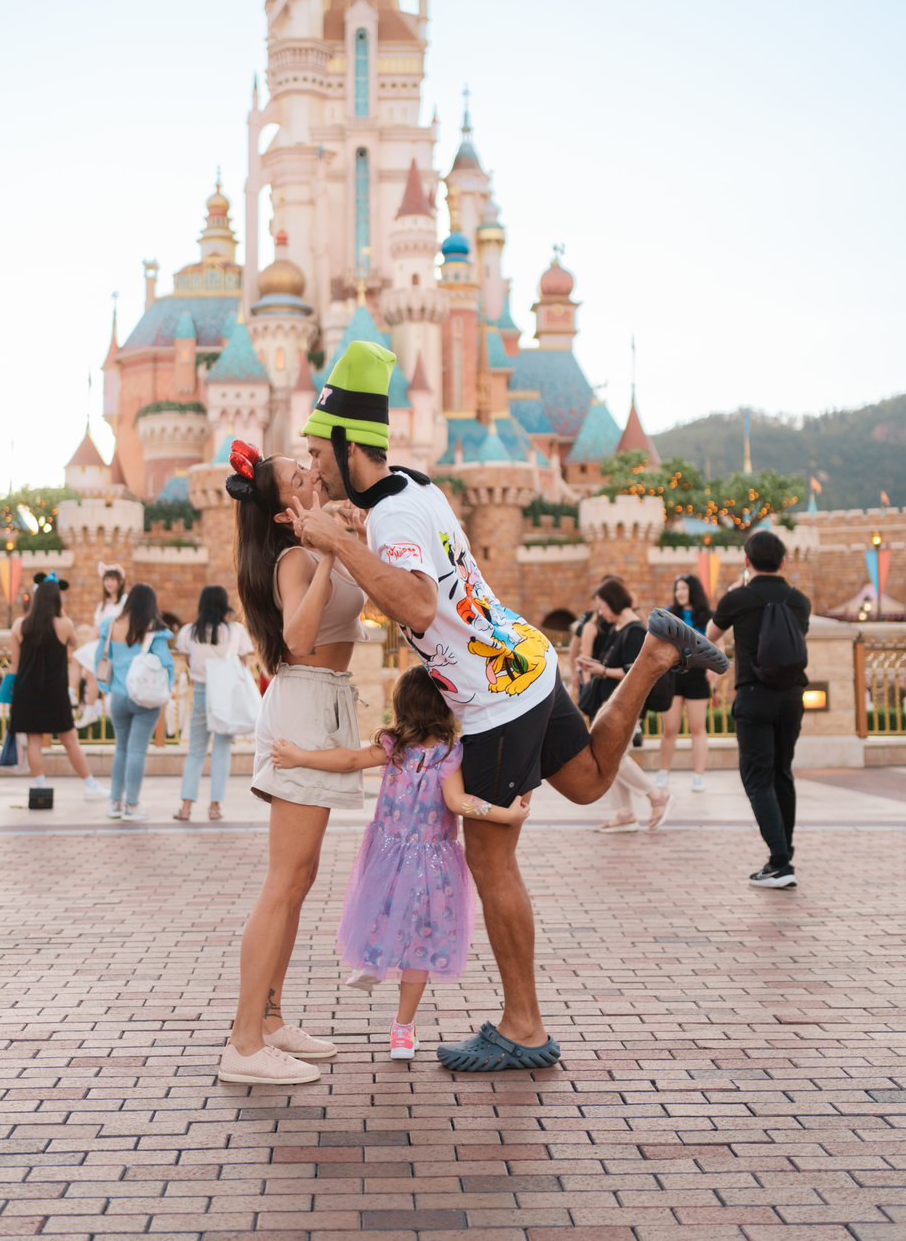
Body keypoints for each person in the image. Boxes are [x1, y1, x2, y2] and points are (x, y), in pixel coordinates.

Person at [294, 340, 729, 1073]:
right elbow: (413, 561)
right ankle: (653, 655)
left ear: (347, 444)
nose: (311, 468)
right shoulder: (414, 489)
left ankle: (523, 1026)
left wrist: (339, 539)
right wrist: (353, 527)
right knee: (588, 781)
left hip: (492, 700)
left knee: (491, 863)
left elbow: (417, 603)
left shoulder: (391, 519)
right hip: (523, 661)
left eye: (316, 453)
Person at [270, 665, 529, 1060]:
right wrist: (506, 814)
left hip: (400, 856)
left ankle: (377, 970)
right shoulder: (433, 752)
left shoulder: (412, 749)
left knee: (387, 914)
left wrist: (299, 756)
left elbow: (349, 760)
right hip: (423, 859)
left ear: (403, 706)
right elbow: (458, 802)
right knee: (417, 941)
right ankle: (399, 1021)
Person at [217, 439, 369, 1088]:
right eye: (300, 476)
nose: (314, 474)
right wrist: (330, 551)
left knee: (300, 877)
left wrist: (348, 539)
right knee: (284, 881)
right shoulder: (293, 559)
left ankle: (272, 1020)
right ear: (285, 513)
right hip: (304, 703)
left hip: (323, 701)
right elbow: (299, 638)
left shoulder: (315, 547)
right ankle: (244, 1042)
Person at [707, 530, 810, 888]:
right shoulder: (800, 601)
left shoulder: (737, 598)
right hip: (792, 697)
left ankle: (780, 863)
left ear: (747, 561)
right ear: (783, 561)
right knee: (782, 773)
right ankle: (783, 855)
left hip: (754, 696)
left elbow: (709, 638)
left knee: (757, 778)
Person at [576, 578, 673, 832]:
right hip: (617, 705)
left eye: (602, 606)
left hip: (628, 705)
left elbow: (634, 671)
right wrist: (596, 667)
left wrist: (602, 671)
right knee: (612, 756)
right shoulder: (620, 629)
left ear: (613, 602)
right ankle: (625, 812)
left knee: (613, 757)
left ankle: (655, 796)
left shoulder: (635, 631)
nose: (601, 612)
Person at [10, 574, 108, 799]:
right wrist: (60, 611)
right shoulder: (64, 624)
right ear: (57, 600)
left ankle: (40, 787)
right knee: (69, 740)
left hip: (27, 691)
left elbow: (14, 665)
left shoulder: (19, 626)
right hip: (54, 692)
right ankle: (90, 785)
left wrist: (8, 695)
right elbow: (74, 642)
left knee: (34, 740)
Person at [174, 585, 255, 821]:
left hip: (201, 692)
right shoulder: (235, 631)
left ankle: (186, 807)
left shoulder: (188, 632)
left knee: (195, 752)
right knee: (222, 751)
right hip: (225, 695)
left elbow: (188, 660)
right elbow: (244, 660)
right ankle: (215, 807)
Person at [95, 582, 175, 822]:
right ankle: (132, 805)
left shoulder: (111, 625)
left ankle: (115, 803)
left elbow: (100, 658)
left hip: (118, 697)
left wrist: (106, 688)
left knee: (121, 749)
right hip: (144, 699)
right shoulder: (154, 630)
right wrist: (166, 688)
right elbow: (167, 664)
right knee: (136, 751)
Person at [655, 575, 714, 792]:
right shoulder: (669, 614)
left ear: (694, 591)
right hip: (673, 674)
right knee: (670, 728)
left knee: (697, 727)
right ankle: (663, 772)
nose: (679, 593)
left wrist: (713, 668)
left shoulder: (707, 616)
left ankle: (699, 775)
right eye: (677, 589)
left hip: (698, 674)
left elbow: (717, 643)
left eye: (684, 588)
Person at [73, 564, 127, 730]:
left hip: (115, 645)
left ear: (120, 582)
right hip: (101, 645)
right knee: (88, 670)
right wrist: (86, 649)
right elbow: (96, 629)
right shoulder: (102, 606)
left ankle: (75, 698)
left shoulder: (125, 601)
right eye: (106, 580)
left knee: (89, 668)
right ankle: (87, 709)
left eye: (112, 580)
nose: (109, 583)